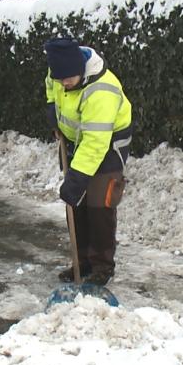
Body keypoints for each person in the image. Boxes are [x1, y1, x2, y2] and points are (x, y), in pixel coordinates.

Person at [44, 38, 132, 286]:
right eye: (59, 78)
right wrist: (52, 108)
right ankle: (82, 262)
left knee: (99, 205)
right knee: (77, 206)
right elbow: (51, 84)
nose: (63, 83)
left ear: (80, 69)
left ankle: (102, 266)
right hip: (78, 142)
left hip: (107, 145)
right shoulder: (60, 72)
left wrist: (76, 179)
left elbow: (95, 143)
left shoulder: (101, 91)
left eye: (68, 79)